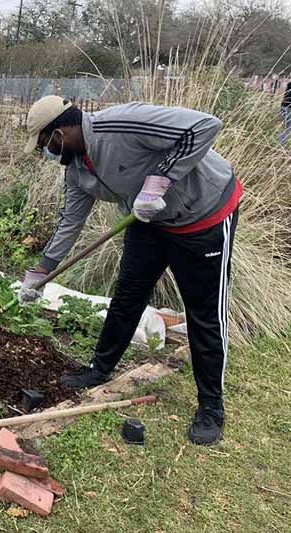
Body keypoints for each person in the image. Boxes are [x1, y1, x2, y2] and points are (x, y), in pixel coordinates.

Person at [20, 95, 242, 445]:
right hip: (148, 219)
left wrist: (159, 181)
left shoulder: (121, 123)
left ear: (59, 133)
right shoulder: (77, 169)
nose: (45, 152)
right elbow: (70, 221)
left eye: (44, 143)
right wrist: (41, 271)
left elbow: (205, 125)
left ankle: (211, 407)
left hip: (202, 216)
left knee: (204, 313)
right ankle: (100, 369)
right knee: (128, 295)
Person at [280, 81, 291, 145]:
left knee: (286, 126)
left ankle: (283, 144)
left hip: (284, 106)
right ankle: (283, 144)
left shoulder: (289, 84)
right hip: (288, 108)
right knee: (288, 127)